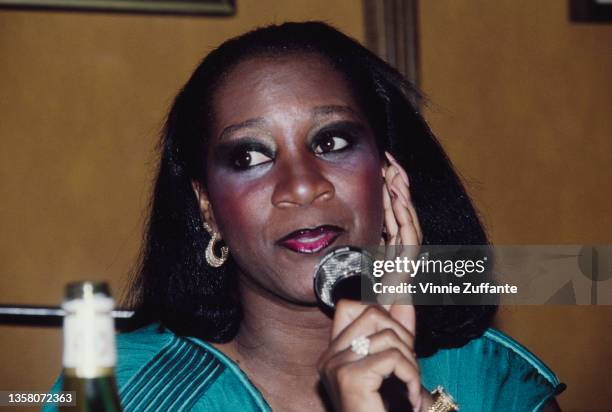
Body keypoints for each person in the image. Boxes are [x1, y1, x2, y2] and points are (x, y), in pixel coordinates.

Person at [46, 22, 564, 411]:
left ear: (387, 175)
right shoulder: (119, 388)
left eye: (332, 141)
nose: (301, 185)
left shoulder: (496, 380)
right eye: (250, 156)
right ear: (207, 206)